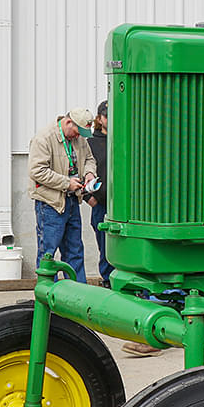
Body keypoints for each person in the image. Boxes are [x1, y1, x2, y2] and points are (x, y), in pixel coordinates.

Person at [28, 108, 97, 282]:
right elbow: (37, 171)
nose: (78, 137)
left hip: (72, 200)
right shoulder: (43, 138)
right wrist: (67, 183)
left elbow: (89, 159)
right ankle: (47, 294)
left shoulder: (79, 139)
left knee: (75, 251)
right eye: (76, 132)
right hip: (50, 205)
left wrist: (89, 173)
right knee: (48, 254)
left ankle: (78, 296)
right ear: (68, 122)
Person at [86, 100, 114, 288]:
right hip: (101, 204)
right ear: (99, 118)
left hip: (120, 204)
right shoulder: (90, 144)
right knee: (105, 248)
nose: (109, 119)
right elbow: (81, 169)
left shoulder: (122, 139)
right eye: (106, 115)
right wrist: (89, 198)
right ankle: (107, 280)